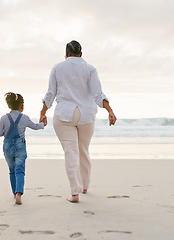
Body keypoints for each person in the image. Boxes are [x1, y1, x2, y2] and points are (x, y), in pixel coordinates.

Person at [40, 40, 117, 203]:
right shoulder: (90, 69)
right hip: (86, 115)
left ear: (66, 54)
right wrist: (110, 111)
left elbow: (50, 94)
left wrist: (42, 113)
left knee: (71, 153)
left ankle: (74, 193)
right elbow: (98, 94)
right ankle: (85, 186)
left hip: (64, 115)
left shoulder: (57, 68)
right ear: (81, 54)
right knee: (83, 150)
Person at [0, 92, 45, 205]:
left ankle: (14, 193)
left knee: (12, 171)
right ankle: (19, 194)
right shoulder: (24, 118)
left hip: (7, 147)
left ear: (9, 105)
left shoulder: (4, 118)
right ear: (22, 105)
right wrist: (43, 124)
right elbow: (36, 127)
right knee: (20, 170)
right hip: (20, 147)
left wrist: (5, 130)